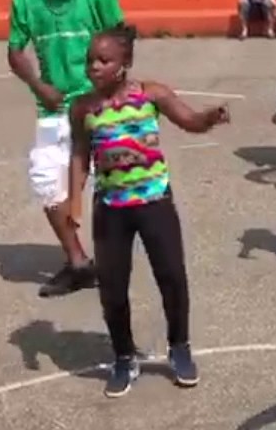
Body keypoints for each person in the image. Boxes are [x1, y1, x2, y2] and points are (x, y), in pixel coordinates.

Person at [67, 26, 231, 398]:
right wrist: (73, 201)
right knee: (112, 287)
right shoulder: (82, 107)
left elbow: (189, 121)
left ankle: (180, 347)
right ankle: (124, 356)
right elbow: (80, 154)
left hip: (154, 201)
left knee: (172, 275)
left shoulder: (151, 94)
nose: (94, 66)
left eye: (104, 60)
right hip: (111, 208)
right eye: (90, 59)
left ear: (124, 64)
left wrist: (210, 116)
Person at [6, 0, 125, 298]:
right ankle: (78, 263)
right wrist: (40, 85)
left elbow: (122, 40)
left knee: (113, 185)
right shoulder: (26, 0)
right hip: (53, 108)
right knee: (47, 184)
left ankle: (113, 261)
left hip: (97, 103)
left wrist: (114, 90)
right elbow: (15, 51)